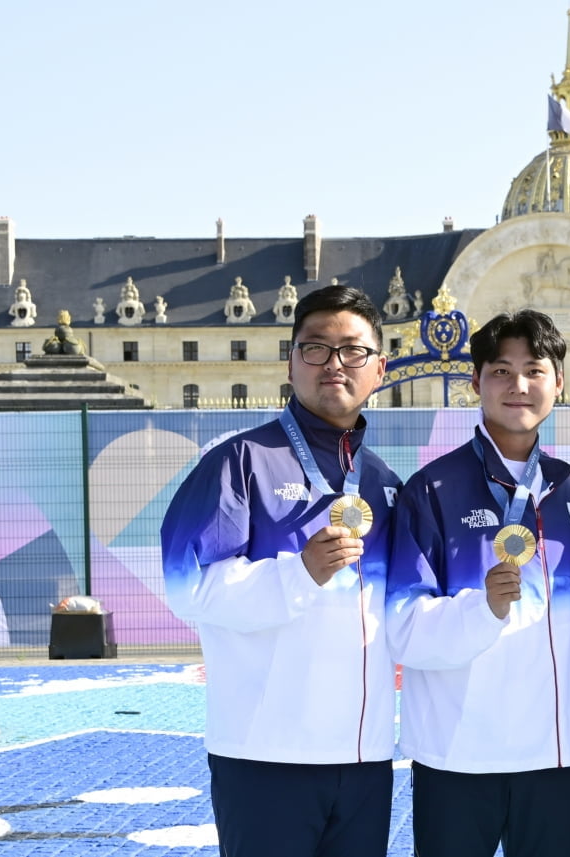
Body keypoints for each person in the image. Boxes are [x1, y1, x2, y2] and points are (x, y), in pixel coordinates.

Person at [160, 285, 401, 857]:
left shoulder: (385, 484)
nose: (333, 364)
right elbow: (186, 587)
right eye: (315, 349)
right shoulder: (238, 461)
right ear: (290, 362)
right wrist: (300, 574)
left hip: (365, 756)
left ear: (379, 368)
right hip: (266, 755)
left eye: (352, 351)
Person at [386, 309, 570, 857]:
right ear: (476, 382)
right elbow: (403, 628)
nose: (519, 386)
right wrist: (482, 608)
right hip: (461, 753)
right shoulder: (432, 488)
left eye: (534, 370)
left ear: (559, 383)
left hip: (554, 754)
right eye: (501, 371)